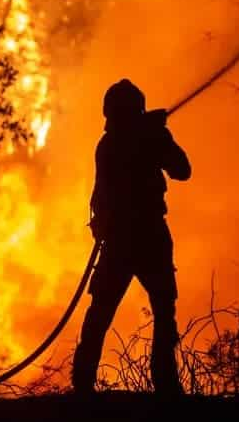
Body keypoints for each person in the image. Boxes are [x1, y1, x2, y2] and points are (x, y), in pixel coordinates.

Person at [72, 78, 191, 396]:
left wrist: (156, 135)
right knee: (161, 311)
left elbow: (182, 170)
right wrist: (157, 135)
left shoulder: (110, 143)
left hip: (127, 239)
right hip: (144, 235)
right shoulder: (129, 141)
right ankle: (165, 386)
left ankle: (83, 387)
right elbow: (181, 169)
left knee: (102, 314)